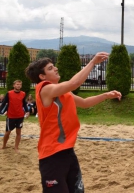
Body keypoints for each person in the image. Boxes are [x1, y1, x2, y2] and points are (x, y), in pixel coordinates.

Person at [25, 52, 122, 193]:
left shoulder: (63, 91)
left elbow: (84, 103)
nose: (56, 68)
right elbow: (74, 83)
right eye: (51, 68)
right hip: (51, 155)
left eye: (54, 66)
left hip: (68, 152)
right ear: (42, 76)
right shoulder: (45, 89)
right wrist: (92, 62)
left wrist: (106, 95)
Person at [0, 80, 29, 151]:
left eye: (20, 84)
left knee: (18, 132)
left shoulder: (23, 94)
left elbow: (24, 104)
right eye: (17, 84)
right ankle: (4, 145)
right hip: (11, 116)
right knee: (8, 132)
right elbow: (4, 103)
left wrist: (27, 111)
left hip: (20, 115)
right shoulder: (9, 93)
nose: (18, 85)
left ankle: (16, 147)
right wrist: (1, 111)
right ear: (14, 85)